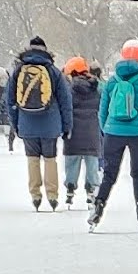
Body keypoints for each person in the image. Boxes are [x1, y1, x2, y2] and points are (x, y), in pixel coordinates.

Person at [89, 40, 138, 231]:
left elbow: (102, 110)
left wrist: (106, 129)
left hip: (114, 132)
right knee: (137, 173)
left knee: (109, 174)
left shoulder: (112, 81)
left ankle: (98, 207)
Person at [7, 36, 73, 211]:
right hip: (50, 123)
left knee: (32, 160)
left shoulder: (18, 71)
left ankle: (35, 195)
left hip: (27, 122)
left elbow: (10, 100)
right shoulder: (53, 71)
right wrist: (67, 126)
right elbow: (65, 102)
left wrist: (17, 124)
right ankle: (52, 195)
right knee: (50, 159)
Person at [62, 56, 103, 208]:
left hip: (74, 131)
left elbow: (65, 108)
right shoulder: (96, 87)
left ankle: (70, 188)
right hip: (92, 129)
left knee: (72, 161)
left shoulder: (69, 89)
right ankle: (91, 189)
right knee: (91, 161)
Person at [0, 66, 15, 152]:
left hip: (6, 106)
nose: (2, 79)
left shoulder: (9, 84)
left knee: (7, 123)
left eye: (3, 77)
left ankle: (9, 141)